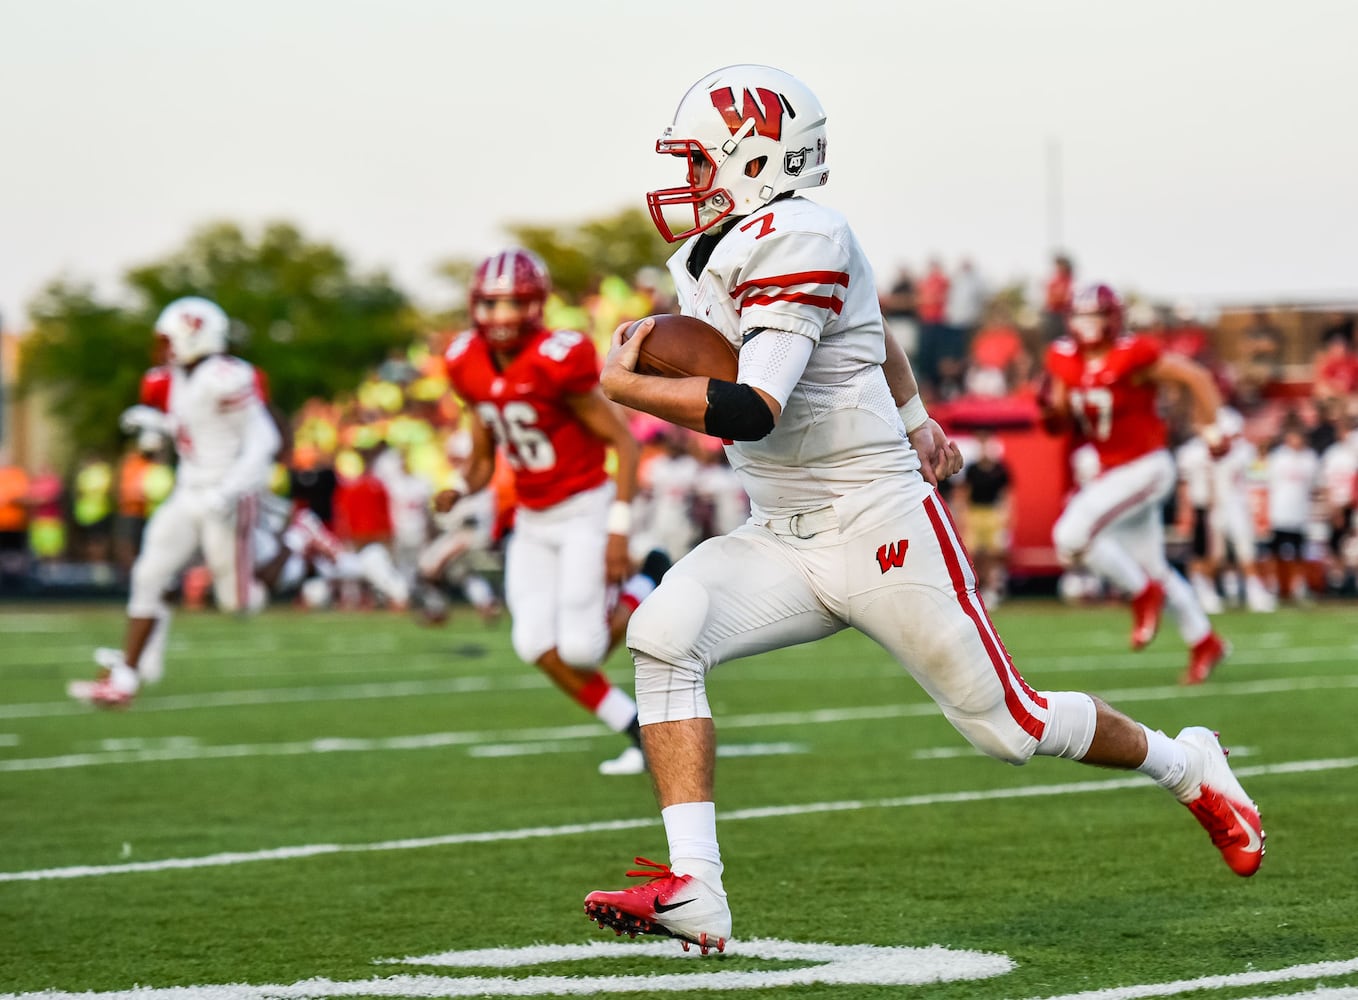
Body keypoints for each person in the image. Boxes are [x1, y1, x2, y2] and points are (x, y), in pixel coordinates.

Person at [581, 65, 1265, 956]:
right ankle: (696, 890)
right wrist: (917, 415)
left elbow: (755, 409)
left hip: (875, 526)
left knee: (1008, 729)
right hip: (781, 534)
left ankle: (1188, 765)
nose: (687, 179)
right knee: (664, 632)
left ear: (755, 162)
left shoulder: (801, 234)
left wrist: (626, 386)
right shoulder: (736, 245)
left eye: (704, 160)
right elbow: (870, 332)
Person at [436, 248, 669, 776]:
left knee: (583, 650)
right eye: (491, 305)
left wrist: (618, 531)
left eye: (513, 304)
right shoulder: (463, 361)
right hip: (533, 519)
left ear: (535, 306)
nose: (501, 318)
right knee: (533, 643)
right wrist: (456, 486)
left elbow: (624, 445)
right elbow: (479, 460)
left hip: (585, 506)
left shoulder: (556, 357)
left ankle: (647, 578)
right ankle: (634, 727)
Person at [69, 296, 281, 707]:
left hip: (225, 494)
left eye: (169, 339)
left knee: (238, 604)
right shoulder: (177, 377)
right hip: (189, 490)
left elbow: (264, 439)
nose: (162, 348)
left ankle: (290, 551)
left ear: (193, 336)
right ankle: (128, 676)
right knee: (149, 574)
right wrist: (159, 424)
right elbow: (196, 429)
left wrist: (233, 487)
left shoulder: (227, 376)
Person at [1041, 283, 1231, 685]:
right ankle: (1204, 641)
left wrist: (1212, 429)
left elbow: (1194, 376)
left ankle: (1141, 592)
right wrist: (1050, 414)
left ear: (1112, 318)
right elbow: (1059, 414)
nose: (1088, 325)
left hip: (1147, 466)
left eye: (1095, 316)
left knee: (1070, 536)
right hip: (1115, 472)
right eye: (1081, 316)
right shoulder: (1064, 359)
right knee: (1154, 567)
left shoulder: (1134, 354)